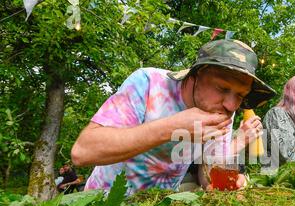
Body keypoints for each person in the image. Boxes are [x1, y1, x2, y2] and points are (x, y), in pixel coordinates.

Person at [71, 39, 275, 195]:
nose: (231, 105)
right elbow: (83, 152)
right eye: (222, 88)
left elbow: (206, 173)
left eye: (240, 95)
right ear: (196, 75)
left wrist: (223, 182)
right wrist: (172, 128)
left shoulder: (222, 112)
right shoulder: (149, 82)